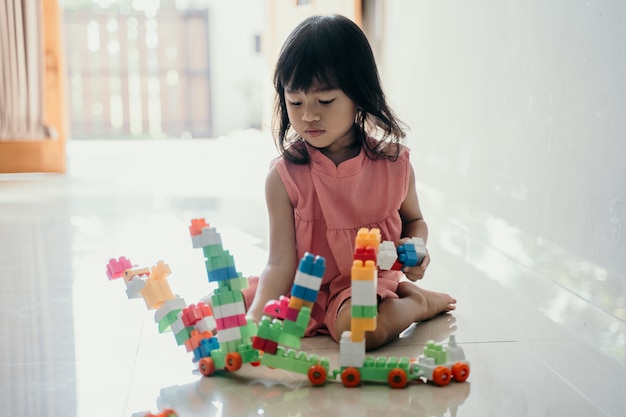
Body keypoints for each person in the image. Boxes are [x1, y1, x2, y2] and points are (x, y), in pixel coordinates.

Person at [243, 14, 456, 350]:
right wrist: (256, 317)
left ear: (359, 94)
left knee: (359, 331)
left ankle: (416, 303)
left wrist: (417, 248)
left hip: (366, 283)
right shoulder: (283, 178)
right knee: (236, 309)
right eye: (295, 101)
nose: (308, 115)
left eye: (325, 101)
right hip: (306, 289)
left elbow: (415, 220)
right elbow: (280, 262)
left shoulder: (393, 165)